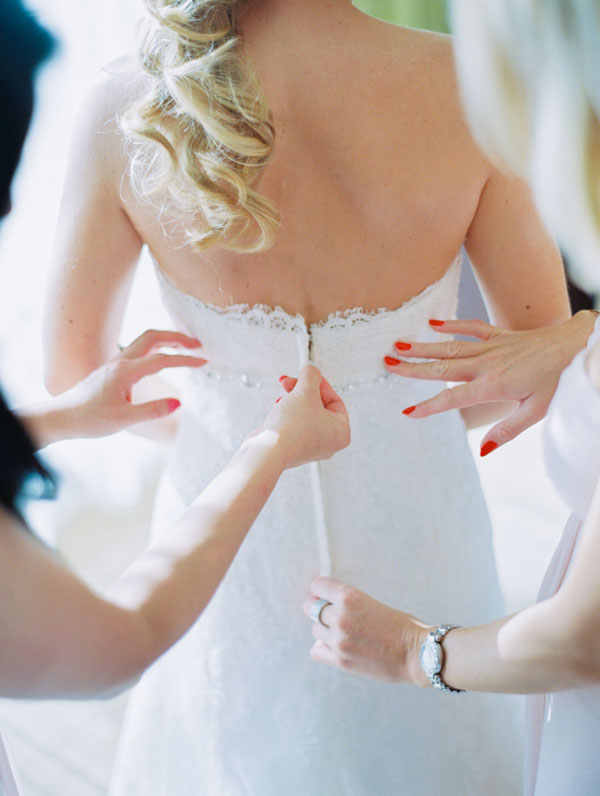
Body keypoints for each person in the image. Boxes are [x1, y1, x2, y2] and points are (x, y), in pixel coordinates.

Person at [42, 0, 575, 793]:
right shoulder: (468, 87)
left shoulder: (126, 105)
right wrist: (399, 420)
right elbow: (533, 360)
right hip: (420, 517)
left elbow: (74, 376)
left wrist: (221, 421)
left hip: (225, 526)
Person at [0, 3, 350, 794]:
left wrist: (52, 420)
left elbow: (70, 360)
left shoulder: (121, 107)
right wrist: (270, 447)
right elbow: (112, 644)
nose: (12, 212)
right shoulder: (458, 84)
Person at [302, 2, 600, 794]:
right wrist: (579, 337)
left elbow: (584, 638)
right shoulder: (442, 87)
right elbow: (534, 340)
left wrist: (411, 650)